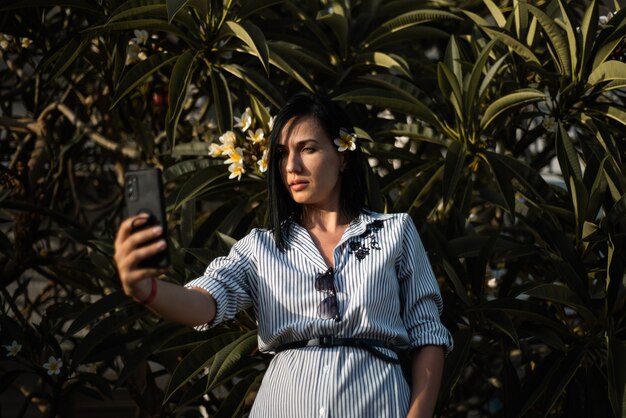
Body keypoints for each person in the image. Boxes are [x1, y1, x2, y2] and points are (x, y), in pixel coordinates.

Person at [114, 92, 453, 418]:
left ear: (343, 156)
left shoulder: (395, 231)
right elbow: (205, 302)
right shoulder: (261, 248)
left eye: (307, 148)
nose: (291, 166)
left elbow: (428, 334)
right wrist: (146, 290)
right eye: (281, 153)